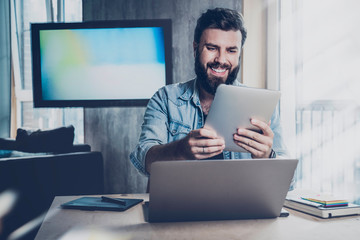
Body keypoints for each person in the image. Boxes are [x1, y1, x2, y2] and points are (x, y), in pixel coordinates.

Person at [130, 8, 288, 177]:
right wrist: (180, 150)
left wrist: (267, 156)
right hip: (182, 203)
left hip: (240, 203)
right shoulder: (166, 99)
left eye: (231, 50)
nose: (221, 59)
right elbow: (144, 159)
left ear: (239, 54)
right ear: (195, 48)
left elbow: (289, 181)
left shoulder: (263, 107)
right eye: (212, 48)